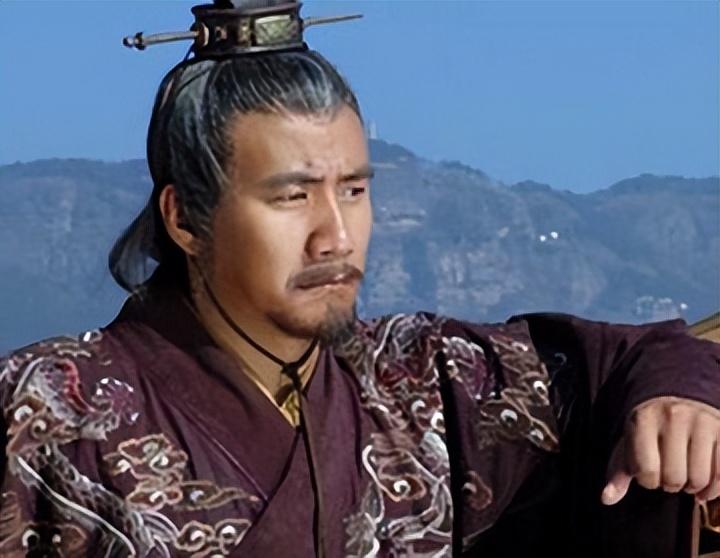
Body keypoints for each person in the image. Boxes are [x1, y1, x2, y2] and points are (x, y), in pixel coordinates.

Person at [1, 2, 718, 557]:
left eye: (353, 191)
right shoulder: (49, 410)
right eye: (292, 196)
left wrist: (679, 399)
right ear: (185, 217)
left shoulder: (419, 379)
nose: (336, 236)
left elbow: (636, 356)